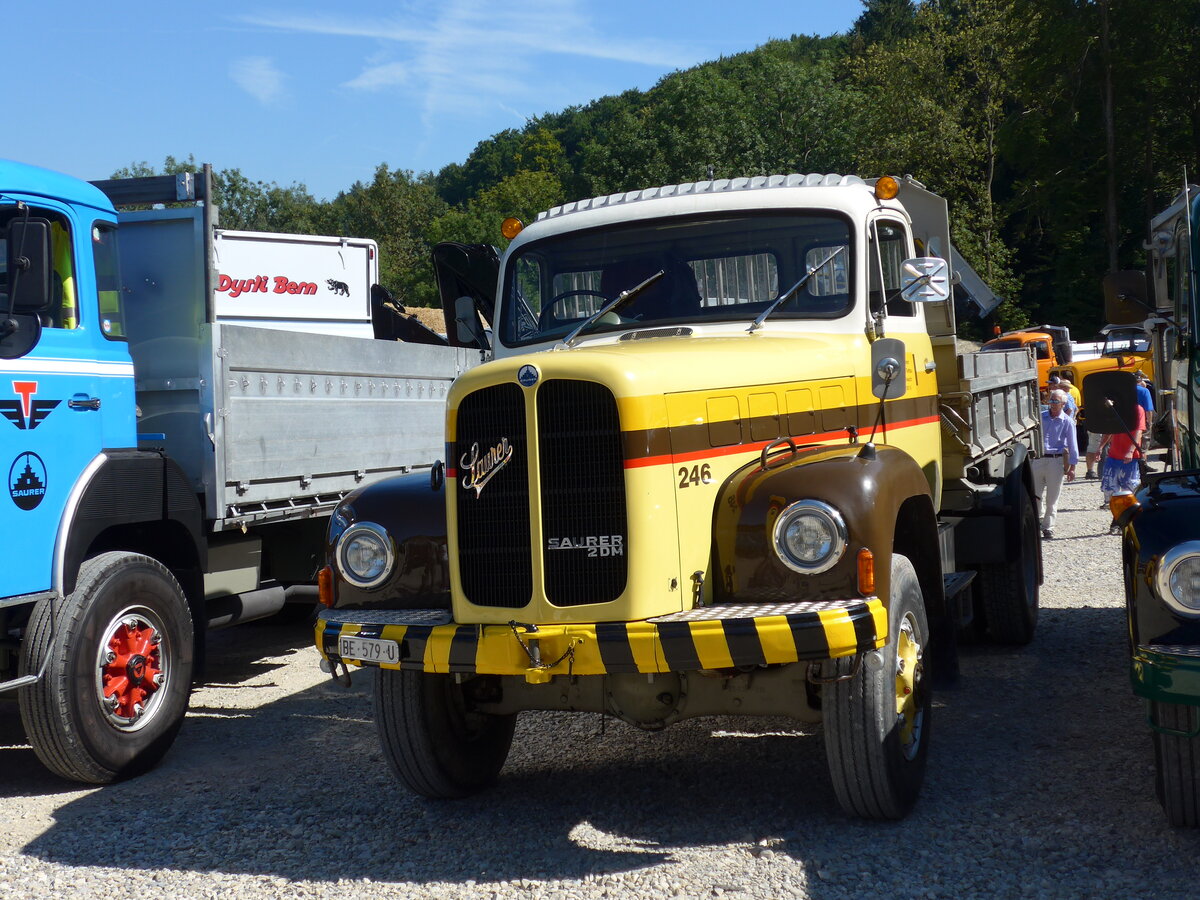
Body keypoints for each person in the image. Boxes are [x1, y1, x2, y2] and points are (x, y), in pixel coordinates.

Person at [1034, 390, 1079, 539]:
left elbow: (1073, 446)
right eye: (1051, 400)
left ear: (1063, 404)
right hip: (1038, 459)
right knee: (1035, 494)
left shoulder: (1067, 421)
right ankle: (1038, 521)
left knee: (1052, 498)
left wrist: (1072, 467)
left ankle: (1048, 527)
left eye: (1056, 401)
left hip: (1056, 461)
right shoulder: (1040, 418)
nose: (1053, 404)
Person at [1100, 399, 1146, 522]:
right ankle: (1115, 520)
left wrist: (1131, 450)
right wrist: (1100, 447)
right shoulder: (1116, 408)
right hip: (1113, 455)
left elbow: (1139, 431)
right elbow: (1110, 430)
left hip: (1130, 458)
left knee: (1129, 490)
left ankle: (1130, 520)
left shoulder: (1137, 409)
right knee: (1109, 489)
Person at [1056, 376, 1086, 477]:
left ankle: (1066, 468)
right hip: (1072, 422)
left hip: (1066, 423)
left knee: (1066, 446)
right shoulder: (1071, 395)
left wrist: (1066, 420)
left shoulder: (1065, 396)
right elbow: (1076, 408)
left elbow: (1068, 409)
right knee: (1070, 445)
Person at [1134, 370, 1155, 472]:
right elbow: (1148, 409)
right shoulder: (1144, 391)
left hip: (1128, 420)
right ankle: (1143, 464)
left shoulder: (1125, 390)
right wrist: (1149, 422)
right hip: (1141, 420)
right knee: (1144, 443)